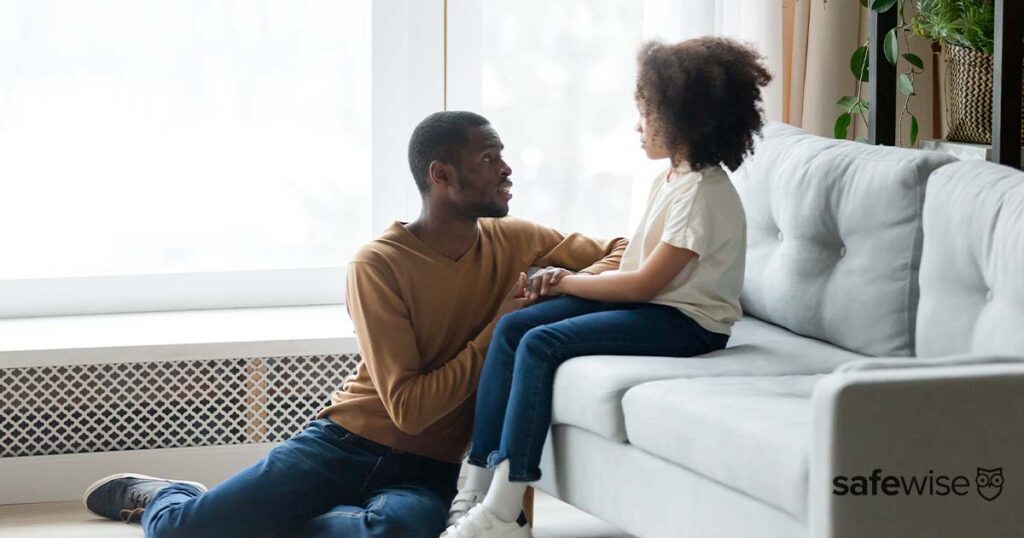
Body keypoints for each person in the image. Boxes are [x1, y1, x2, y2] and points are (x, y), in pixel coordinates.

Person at [81, 110, 627, 538]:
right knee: (184, 532)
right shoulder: (378, 265)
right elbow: (410, 410)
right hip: (343, 445)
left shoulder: (521, 241)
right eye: (489, 159)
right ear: (442, 175)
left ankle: (252, 525)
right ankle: (165, 496)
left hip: (428, 470)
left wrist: (558, 282)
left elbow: (625, 252)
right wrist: (503, 324)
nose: (508, 170)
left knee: (405, 530)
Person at [441, 37, 772, 538]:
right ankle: (473, 486)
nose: (637, 127)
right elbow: (639, 274)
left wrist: (570, 280)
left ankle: (503, 511)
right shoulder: (674, 178)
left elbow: (643, 285)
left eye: (646, 114)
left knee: (541, 340)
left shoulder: (702, 195)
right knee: (514, 328)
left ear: (685, 119)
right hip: (661, 307)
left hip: (690, 323)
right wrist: (569, 284)